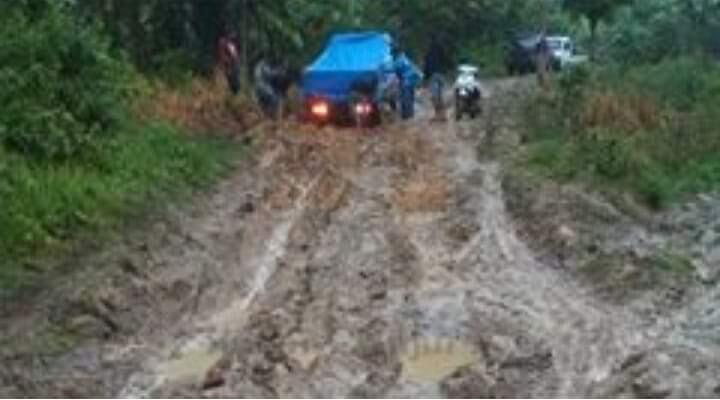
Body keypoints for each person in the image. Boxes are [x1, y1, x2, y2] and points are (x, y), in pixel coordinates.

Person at [391, 45, 422, 120]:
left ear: (395, 53)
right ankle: (410, 115)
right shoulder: (404, 58)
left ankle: (406, 116)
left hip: (406, 81)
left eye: (392, 54)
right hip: (411, 80)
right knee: (410, 98)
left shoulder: (399, 60)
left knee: (405, 99)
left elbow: (394, 69)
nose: (392, 55)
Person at [424, 35, 449, 121]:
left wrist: (425, 77)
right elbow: (446, 60)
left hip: (433, 75)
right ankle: (443, 115)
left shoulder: (429, 51)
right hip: (441, 74)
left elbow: (427, 65)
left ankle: (437, 115)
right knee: (441, 95)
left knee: (435, 96)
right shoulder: (441, 49)